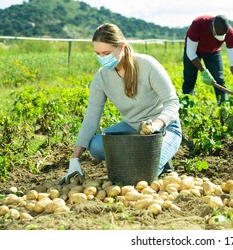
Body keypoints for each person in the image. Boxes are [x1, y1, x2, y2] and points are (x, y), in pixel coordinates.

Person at [59, 23, 182, 184]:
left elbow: (172, 102)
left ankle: (160, 158)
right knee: (96, 146)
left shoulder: (147, 65)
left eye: (106, 53)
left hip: (165, 128)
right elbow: (91, 117)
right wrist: (74, 159)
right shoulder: (102, 78)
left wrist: (156, 125)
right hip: (132, 128)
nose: (102, 58)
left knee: (141, 175)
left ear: (121, 46)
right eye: (98, 54)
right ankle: (145, 157)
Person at [182, 15, 233, 104]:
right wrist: (204, 71)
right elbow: (191, 53)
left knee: (219, 79)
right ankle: (186, 107)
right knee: (189, 80)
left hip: (212, 52)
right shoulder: (198, 24)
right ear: (211, 28)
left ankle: (223, 108)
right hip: (194, 51)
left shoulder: (230, 33)